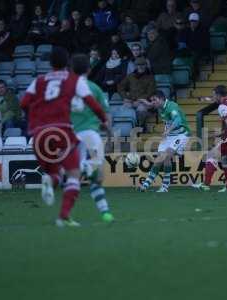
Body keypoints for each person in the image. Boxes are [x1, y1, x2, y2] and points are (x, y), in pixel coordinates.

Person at [20, 47, 108, 227]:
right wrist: (103, 119)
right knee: (74, 174)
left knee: (55, 173)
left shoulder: (38, 80)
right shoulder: (73, 80)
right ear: (66, 63)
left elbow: (23, 103)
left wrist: (37, 115)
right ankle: (64, 217)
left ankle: (49, 181)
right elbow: (93, 104)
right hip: (62, 132)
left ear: (50, 63)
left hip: (39, 134)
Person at [70, 53, 114, 223]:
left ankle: (104, 212)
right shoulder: (93, 88)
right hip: (89, 134)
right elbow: (105, 114)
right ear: (89, 69)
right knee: (97, 174)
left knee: (76, 176)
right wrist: (109, 133)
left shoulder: (65, 89)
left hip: (71, 135)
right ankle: (83, 168)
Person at [193, 85, 227, 192]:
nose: (213, 98)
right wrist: (217, 136)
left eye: (213, 95)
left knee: (211, 154)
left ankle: (205, 184)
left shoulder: (222, 106)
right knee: (225, 160)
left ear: (218, 95)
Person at [139, 91, 191, 193]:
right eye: (152, 100)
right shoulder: (160, 105)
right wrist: (147, 103)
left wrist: (168, 130)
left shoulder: (172, 107)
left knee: (167, 155)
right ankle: (145, 185)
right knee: (159, 158)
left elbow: (177, 120)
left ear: (162, 99)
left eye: (154, 100)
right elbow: (152, 104)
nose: (153, 102)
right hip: (169, 136)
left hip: (181, 134)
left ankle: (165, 186)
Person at [118, 57, 156, 130]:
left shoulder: (151, 77)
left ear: (145, 65)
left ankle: (140, 126)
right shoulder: (130, 76)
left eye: (142, 65)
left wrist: (139, 100)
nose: (140, 67)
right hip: (131, 100)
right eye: (138, 65)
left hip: (145, 101)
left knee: (141, 109)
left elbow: (150, 92)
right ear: (136, 66)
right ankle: (126, 129)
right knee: (123, 109)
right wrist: (125, 97)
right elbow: (121, 87)